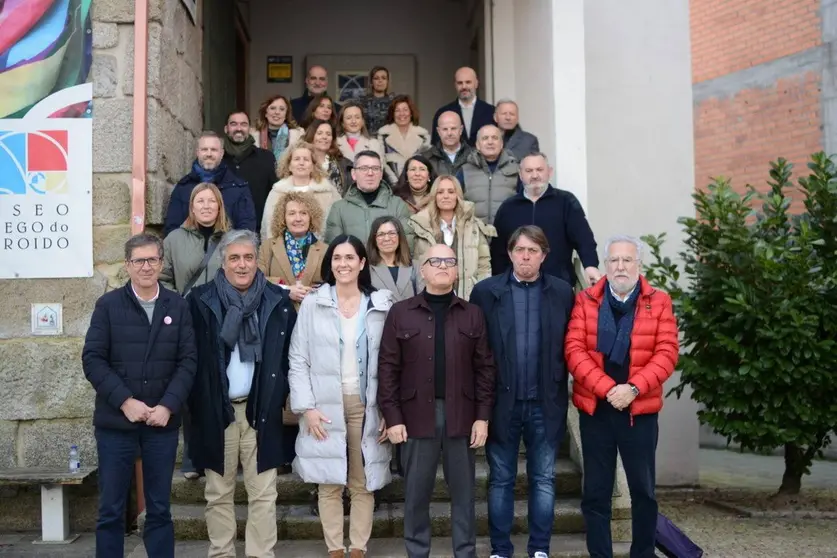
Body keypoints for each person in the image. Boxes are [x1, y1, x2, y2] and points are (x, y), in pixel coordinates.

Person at [378, 243, 496, 558]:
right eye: (435, 261)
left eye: (449, 261)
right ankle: (417, 552)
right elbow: (388, 368)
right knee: (416, 493)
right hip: (415, 416)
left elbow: (485, 369)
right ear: (423, 270)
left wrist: (482, 417)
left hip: (462, 414)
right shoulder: (401, 313)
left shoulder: (472, 314)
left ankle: (465, 551)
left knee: (464, 494)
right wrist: (393, 417)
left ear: (457, 271)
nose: (443, 266)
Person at [82, 233, 196, 558]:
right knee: (111, 510)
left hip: (161, 424)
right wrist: (125, 402)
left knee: (160, 509)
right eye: (139, 261)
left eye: (152, 260)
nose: (146, 267)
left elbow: (188, 361)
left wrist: (168, 406)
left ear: (161, 263)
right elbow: (93, 359)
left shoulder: (178, 305)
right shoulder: (108, 305)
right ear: (128, 265)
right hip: (116, 424)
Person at [565, 235, 679, 558]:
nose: (620, 266)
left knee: (643, 492)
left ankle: (642, 554)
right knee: (596, 494)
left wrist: (633, 388)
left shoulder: (659, 302)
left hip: (638, 411)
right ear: (605, 265)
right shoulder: (586, 300)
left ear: (638, 265)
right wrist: (607, 389)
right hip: (597, 412)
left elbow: (667, 352)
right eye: (614, 260)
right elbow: (574, 351)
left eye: (627, 260)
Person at [188, 229, 296, 558]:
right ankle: (221, 553)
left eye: (248, 257)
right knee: (218, 491)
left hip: (261, 408)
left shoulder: (277, 300)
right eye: (234, 258)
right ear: (223, 262)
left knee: (263, 491)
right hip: (216, 408)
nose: (242, 265)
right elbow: (189, 357)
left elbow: (292, 356)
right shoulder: (200, 300)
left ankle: (260, 554)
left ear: (257, 260)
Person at [469, 226, 575, 558]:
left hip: (546, 402)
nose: (525, 256)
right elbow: (477, 351)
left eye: (532, 250)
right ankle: (500, 549)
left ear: (544, 255)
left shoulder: (562, 292)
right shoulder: (486, 292)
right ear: (510, 253)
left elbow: (570, 345)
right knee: (500, 479)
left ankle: (539, 549)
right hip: (502, 402)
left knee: (543, 479)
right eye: (519, 250)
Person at [288, 235, 393, 558]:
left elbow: (394, 361)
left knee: (363, 481)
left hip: (367, 406)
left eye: (350, 258)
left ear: (362, 263)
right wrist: (307, 408)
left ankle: (358, 547)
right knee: (329, 481)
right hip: (325, 406)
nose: (343, 264)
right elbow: (298, 358)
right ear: (329, 263)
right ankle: (335, 548)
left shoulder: (380, 305)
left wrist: (390, 409)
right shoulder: (313, 303)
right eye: (337, 258)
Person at [160, 182, 229, 479]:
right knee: (191, 390)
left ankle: (225, 452)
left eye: (211, 201)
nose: (206, 206)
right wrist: (177, 306)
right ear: (191, 206)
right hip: (188, 321)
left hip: (226, 321)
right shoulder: (174, 239)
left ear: (219, 206)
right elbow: (163, 278)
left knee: (225, 388)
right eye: (200, 201)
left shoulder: (231, 238)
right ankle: (192, 458)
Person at [491, 152, 601, 286]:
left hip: (558, 285)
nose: (535, 175)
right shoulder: (508, 207)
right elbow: (498, 251)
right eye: (529, 171)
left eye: (539, 170)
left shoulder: (565, 202)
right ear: (520, 175)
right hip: (515, 286)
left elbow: (584, 239)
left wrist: (590, 265)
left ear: (549, 172)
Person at [410, 175, 494, 301]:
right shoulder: (421, 227)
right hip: (431, 299)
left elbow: (484, 264)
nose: (446, 196)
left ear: (457, 195)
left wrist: (480, 293)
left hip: (468, 298)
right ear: (434, 196)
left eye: (451, 191)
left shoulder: (474, 226)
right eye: (440, 192)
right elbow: (417, 266)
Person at [164, 131, 257, 236]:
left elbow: (246, 229)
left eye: (213, 150)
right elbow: (172, 229)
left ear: (221, 153)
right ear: (197, 152)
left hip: (226, 249)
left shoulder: (239, 187)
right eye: (204, 149)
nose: (209, 154)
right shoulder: (183, 187)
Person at [324, 150, 414, 249]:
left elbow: (406, 244)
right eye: (364, 168)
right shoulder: (339, 208)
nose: (370, 173)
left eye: (375, 168)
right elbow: (334, 249)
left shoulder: (397, 204)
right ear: (353, 174)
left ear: (381, 174)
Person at [260, 141, 342, 241]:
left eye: (306, 159)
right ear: (289, 165)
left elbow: (338, 224)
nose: (301, 163)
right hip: (282, 252)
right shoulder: (277, 192)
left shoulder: (328, 192)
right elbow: (267, 227)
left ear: (313, 166)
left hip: (321, 251)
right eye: (297, 159)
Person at [222, 110, 279, 228]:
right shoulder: (217, 159)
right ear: (226, 129)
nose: (239, 128)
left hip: (257, 232)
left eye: (243, 124)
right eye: (233, 124)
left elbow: (276, 195)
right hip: (222, 233)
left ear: (250, 129)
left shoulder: (266, 158)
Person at [457, 124, 519, 225]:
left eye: (495, 138)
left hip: (508, 234)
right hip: (474, 235)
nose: (490, 142)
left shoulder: (516, 169)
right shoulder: (464, 171)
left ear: (501, 143)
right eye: (485, 138)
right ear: (477, 144)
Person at [430, 67, 495, 146]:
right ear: (455, 85)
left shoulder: (491, 111)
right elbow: (436, 146)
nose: (464, 87)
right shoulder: (443, 113)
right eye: (460, 83)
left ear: (476, 83)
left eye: (468, 82)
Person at [377, 95, 430, 185]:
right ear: (392, 114)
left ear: (411, 112)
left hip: (418, 185)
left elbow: (427, 163)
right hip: (392, 186)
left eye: (405, 110)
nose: (402, 114)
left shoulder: (423, 136)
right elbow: (381, 162)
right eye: (397, 110)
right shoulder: (383, 134)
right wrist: (395, 182)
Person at [367, 216, 421, 302]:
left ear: (400, 237)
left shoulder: (416, 266)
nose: (387, 238)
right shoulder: (367, 269)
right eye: (381, 234)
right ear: (374, 239)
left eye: (392, 233)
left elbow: (423, 300)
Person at [335, 101, 387, 180]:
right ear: (342, 123)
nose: (353, 121)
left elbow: (379, 170)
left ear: (362, 121)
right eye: (349, 118)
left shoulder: (373, 143)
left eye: (357, 117)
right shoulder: (334, 143)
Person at [305, 119, 354, 196]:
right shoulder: (301, 162)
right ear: (311, 136)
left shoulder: (345, 164)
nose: (324, 137)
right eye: (319, 133)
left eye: (328, 134)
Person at [251, 94, 304, 163]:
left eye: (282, 109)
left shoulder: (299, 135)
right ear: (265, 113)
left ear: (286, 114)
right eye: (272, 108)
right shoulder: (253, 135)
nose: (277, 112)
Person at [418, 111, 474, 178]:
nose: (449, 133)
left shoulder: (475, 157)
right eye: (445, 129)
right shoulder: (426, 158)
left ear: (461, 130)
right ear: (438, 131)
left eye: (453, 128)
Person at [361, 65, 396, 135]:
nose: (380, 81)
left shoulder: (394, 102)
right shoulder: (362, 102)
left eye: (384, 78)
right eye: (376, 78)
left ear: (387, 81)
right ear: (371, 82)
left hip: (389, 142)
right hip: (368, 141)